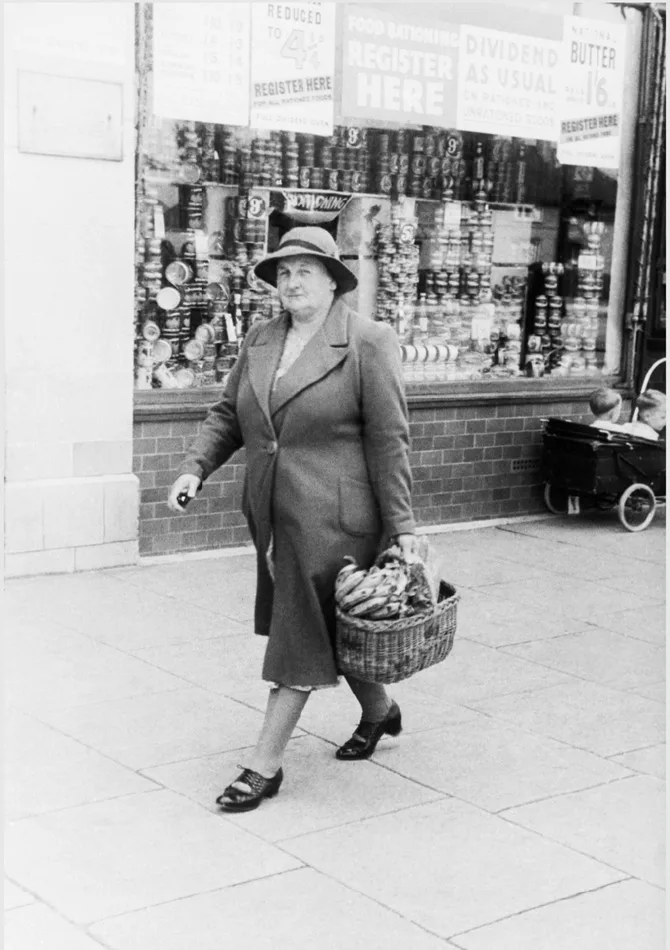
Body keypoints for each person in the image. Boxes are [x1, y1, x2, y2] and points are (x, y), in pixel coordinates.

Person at [168, 226, 418, 813]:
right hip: (274, 515)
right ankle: (380, 711)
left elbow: (390, 442)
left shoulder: (369, 341)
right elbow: (228, 414)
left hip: (338, 521)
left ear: (333, 281)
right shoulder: (262, 338)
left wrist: (403, 528)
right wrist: (194, 469)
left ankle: (264, 764)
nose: (292, 281)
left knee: (299, 634)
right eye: (283, 271)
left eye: (306, 270)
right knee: (328, 623)